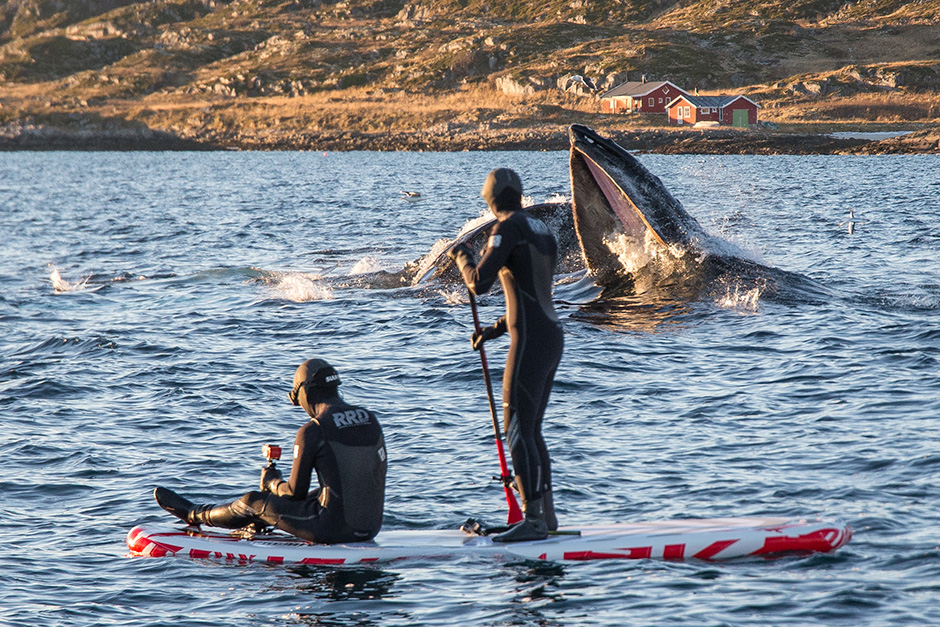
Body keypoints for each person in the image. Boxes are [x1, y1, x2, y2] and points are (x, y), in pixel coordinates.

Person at [447, 168, 564, 542]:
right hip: (549, 334)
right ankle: (546, 518)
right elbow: (530, 290)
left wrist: (463, 256)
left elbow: (478, 284)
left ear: (490, 199)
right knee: (531, 431)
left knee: (516, 431)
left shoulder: (507, 227)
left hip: (531, 341)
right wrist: (494, 330)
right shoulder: (541, 229)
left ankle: (531, 522)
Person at [154, 359, 387, 544]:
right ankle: (259, 520)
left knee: (253, 501)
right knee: (328, 491)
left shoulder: (312, 431)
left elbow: (294, 493)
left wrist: (272, 482)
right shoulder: (370, 418)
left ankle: (194, 514)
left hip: (333, 530)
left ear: (305, 393)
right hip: (370, 528)